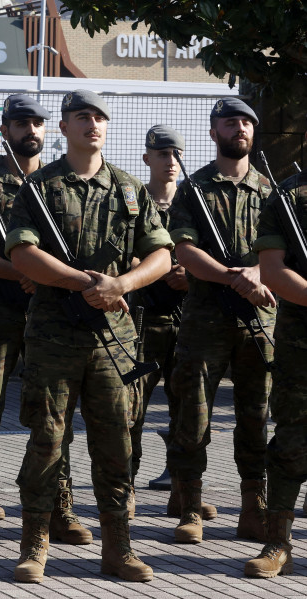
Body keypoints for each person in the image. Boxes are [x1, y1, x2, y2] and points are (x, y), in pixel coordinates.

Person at [7, 89, 171, 583]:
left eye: (99, 117)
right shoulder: (39, 187)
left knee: (116, 443)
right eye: (82, 117)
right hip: (55, 335)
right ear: (63, 127)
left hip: (113, 339)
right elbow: (22, 255)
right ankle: (35, 543)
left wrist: (121, 283)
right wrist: (87, 283)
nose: (92, 125)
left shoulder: (128, 188)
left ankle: (117, 546)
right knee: (46, 441)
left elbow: (161, 255)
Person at [0, 94, 90, 546]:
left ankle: (58, 508)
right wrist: (20, 270)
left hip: (52, 313)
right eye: (21, 123)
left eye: (38, 123)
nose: (31, 130)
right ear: (5, 128)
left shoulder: (59, 182)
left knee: (55, 413)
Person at [167, 98, 274, 545]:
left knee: (256, 417)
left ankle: (254, 508)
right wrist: (234, 276)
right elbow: (185, 251)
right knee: (193, 416)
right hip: (205, 320)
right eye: (230, 122)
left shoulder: (272, 192)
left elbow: (287, 254)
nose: (239, 128)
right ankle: (190, 508)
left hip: (260, 319)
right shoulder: (192, 190)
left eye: (246, 122)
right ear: (214, 133)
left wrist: (259, 274)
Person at [127, 126, 218, 521]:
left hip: (188, 318)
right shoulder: (132, 202)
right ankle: (124, 488)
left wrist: (190, 274)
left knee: (188, 411)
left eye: (176, 154)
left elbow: (211, 252)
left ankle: (183, 493)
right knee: (132, 410)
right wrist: (156, 270)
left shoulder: (195, 200)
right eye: (162, 154)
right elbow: (118, 252)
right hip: (144, 318)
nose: (170, 161)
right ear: (147, 158)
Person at [245, 127, 307, 578]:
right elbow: (273, 270)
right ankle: (278, 542)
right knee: (292, 440)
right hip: (301, 339)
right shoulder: (288, 196)